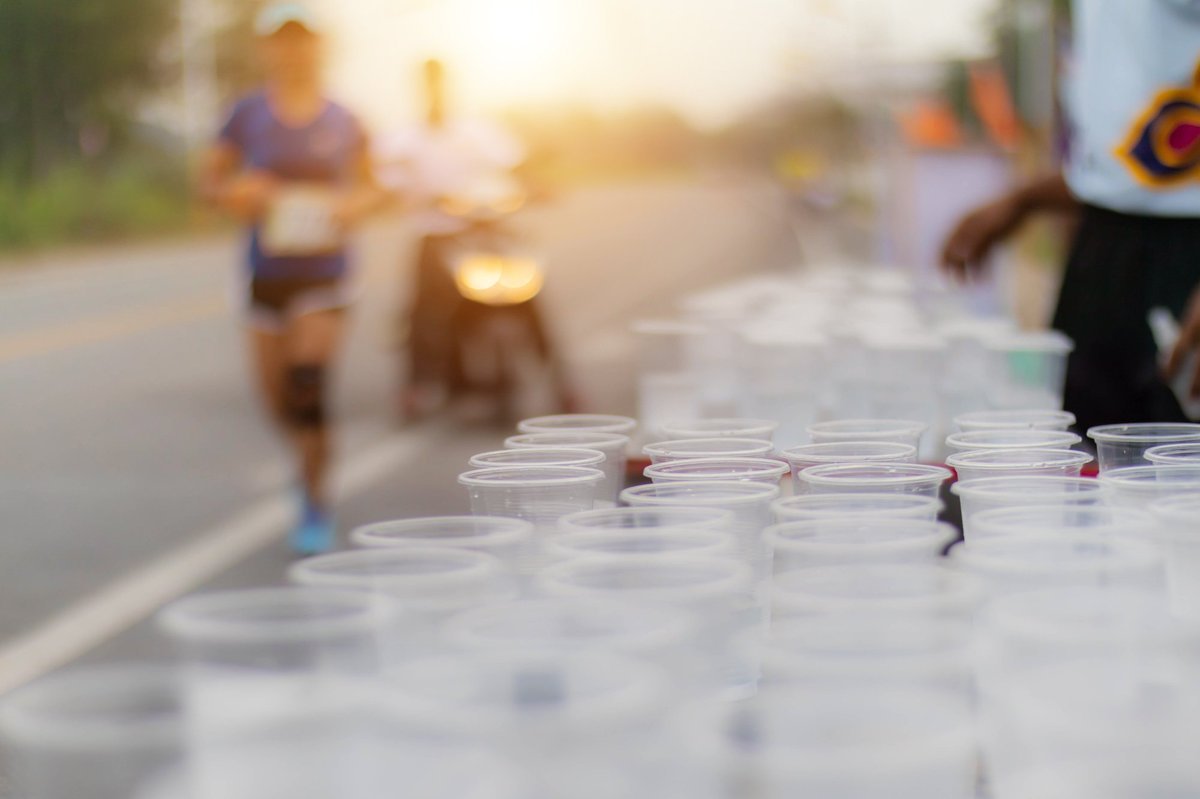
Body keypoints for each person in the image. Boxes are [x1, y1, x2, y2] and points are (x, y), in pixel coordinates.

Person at [941, 0, 1200, 432]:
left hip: (1185, 264)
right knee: (1096, 467)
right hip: (1107, 251)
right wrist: (1026, 199)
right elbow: (1137, 157)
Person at [200, 2, 385, 555]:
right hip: (264, 275)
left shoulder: (343, 118)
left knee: (308, 385)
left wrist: (354, 206)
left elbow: (376, 186)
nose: (293, 49)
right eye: (282, 39)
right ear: (267, 48)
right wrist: (239, 194)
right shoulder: (246, 115)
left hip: (325, 276)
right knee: (278, 400)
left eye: (303, 39)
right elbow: (210, 184)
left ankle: (314, 498)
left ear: (319, 46)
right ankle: (309, 457)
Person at [376, 59, 571, 420]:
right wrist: (415, 195)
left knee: (531, 294)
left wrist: (537, 186)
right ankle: (416, 386)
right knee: (425, 308)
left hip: (485, 231)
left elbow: (516, 165)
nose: (436, 90)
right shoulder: (403, 138)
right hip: (436, 235)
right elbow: (388, 181)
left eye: (440, 82)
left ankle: (563, 384)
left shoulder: (478, 131)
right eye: (429, 83)